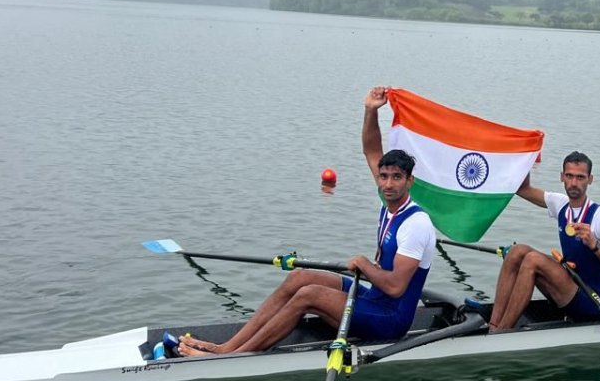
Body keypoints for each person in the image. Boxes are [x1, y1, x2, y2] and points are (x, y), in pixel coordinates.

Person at [179, 86, 436, 355]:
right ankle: (225, 347)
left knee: (309, 294)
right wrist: (370, 110)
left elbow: (395, 288)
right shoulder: (388, 199)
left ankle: (235, 358)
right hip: (373, 297)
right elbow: (372, 150)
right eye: (384, 176)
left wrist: (362, 264)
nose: (388, 183)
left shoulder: (416, 224)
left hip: (391, 319)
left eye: (397, 177)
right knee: (299, 278)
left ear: (410, 181)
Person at [488, 151, 600, 331]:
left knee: (532, 260)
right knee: (517, 252)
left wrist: (596, 247)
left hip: (593, 302)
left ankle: (502, 333)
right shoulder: (561, 204)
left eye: (580, 177)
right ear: (562, 177)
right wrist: (527, 156)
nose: (574, 183)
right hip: (569, 288)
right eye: (569, 176)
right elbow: (522, 189)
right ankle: (493, 325)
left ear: (590, 179)